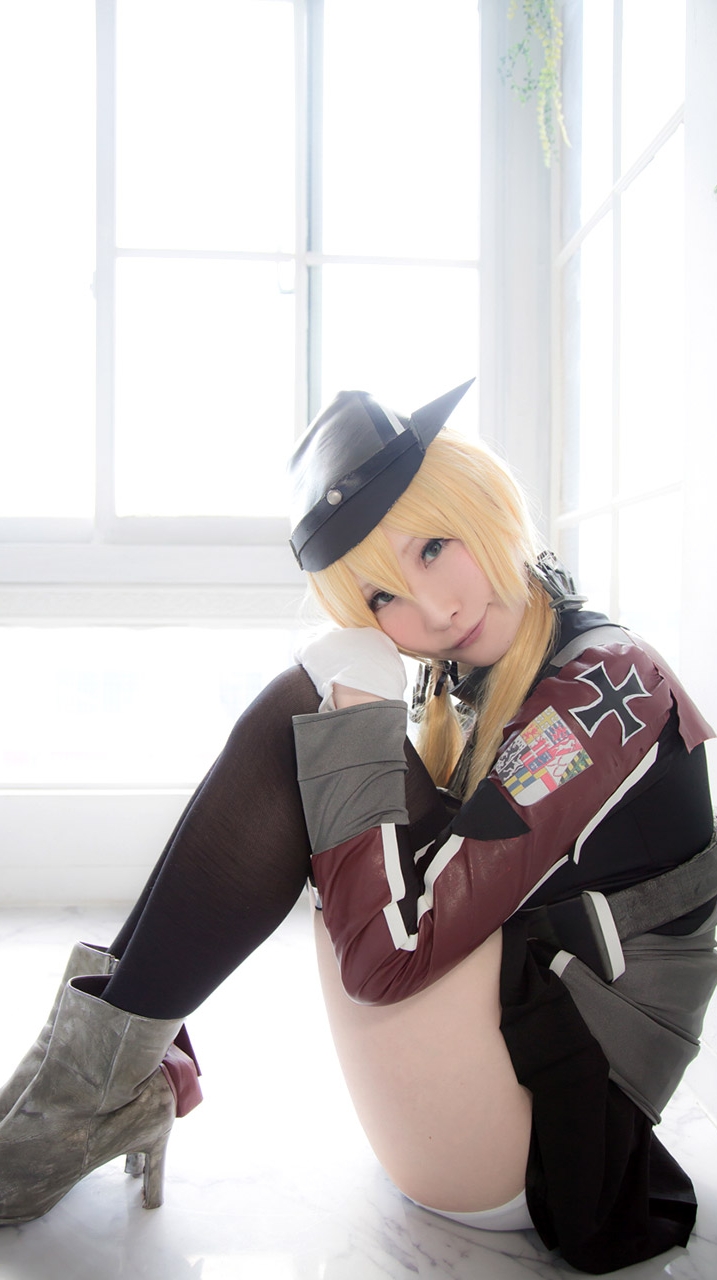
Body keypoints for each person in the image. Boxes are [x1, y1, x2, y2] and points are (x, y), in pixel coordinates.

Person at [0, 381, 715, 1274]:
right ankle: (67, 1096)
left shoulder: (604, 689)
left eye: (432, 545)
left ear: (483, 503)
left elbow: (385, 959)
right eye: (381, 596)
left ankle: (74, 1106)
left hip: (553, 1129)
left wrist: (349, 703)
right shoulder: (472, 675)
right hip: (476, 1088)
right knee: (312, 720)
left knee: (313, 710)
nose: (432, 609)